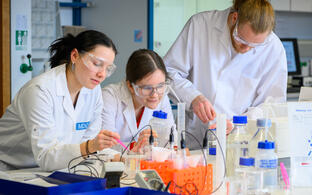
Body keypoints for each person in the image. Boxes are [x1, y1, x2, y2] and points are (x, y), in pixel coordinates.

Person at [164, 0, 287, 149]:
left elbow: (272, 105)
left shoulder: (273, 48)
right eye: (242, 39)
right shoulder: (200, 25)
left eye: (255, 45)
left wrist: (240, 123)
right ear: (234, 18)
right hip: (193, 140)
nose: (247, 48)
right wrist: (192, 97)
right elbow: (168, 73)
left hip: (239, 144)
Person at [0, 30, 120, 171]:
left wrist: (123, 157)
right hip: (10, 170)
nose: (102, 74)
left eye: (108, 68)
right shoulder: (39, 90)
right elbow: (47, 156)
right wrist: (90, 146)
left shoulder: (93, 90)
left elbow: (88, 147)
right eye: (97, 63)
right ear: (74, 56)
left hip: (55, 169)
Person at [101, 49, 175, 152]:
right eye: (147, 88)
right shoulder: (109, 97)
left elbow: (171, 140)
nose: (155, 95)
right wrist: (135, 146)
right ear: (130, 86)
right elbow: (105, 146)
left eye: (160, 86)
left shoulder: (162, 96)